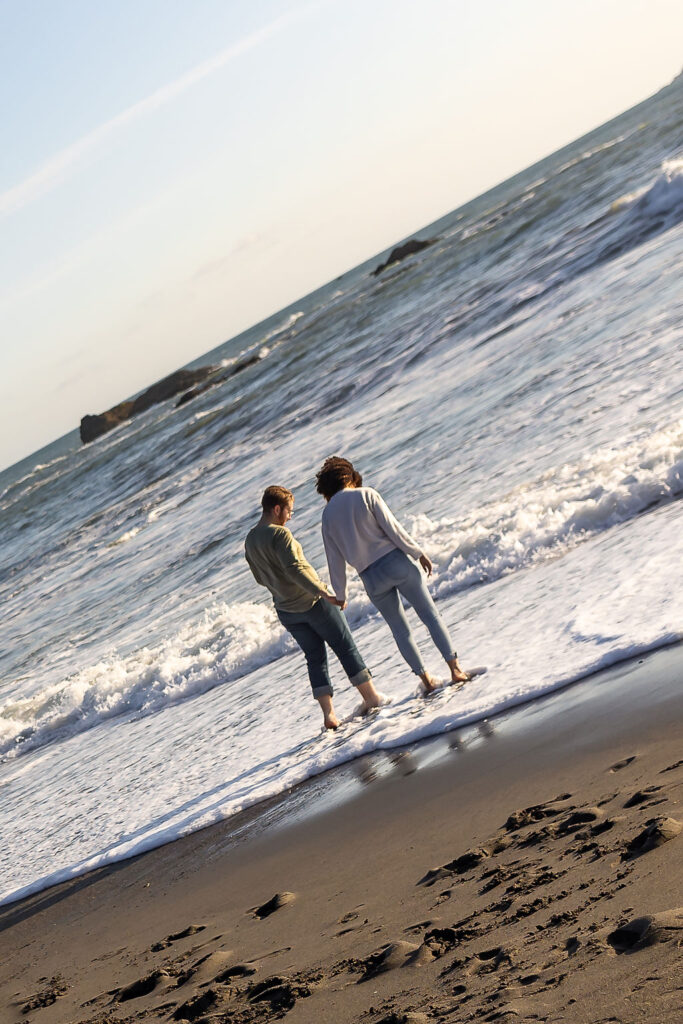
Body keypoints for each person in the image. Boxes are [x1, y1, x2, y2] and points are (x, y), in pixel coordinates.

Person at [316, 457, 469, 694]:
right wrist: (418, 553)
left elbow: (334, 559)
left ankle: (426, 680)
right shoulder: (366, 494)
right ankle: (455, 670)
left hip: (370, 578)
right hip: (396, 563)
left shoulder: (327, 517)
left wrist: (341, 594)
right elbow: (393, 528)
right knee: (430, 616)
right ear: (347, 476)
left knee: (400, 630)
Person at [244, 484, 382, 729]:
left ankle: (329, 716)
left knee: (315, 659)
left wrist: (281, 588)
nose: (290, 517)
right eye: (289, 511)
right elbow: (295, 569)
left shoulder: (250, 540)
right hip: (313, 602)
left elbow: (259, 578)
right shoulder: (280, 534)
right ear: (277, 509)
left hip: (286, 611)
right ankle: (371, 698)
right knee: (345, 647)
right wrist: (323, 592)